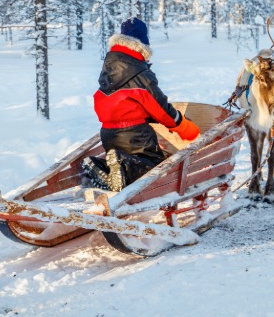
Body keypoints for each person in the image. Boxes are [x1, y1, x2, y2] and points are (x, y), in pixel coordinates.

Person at [85, 17, 200, 192]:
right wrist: (182, 126)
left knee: (124, 165)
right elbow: (160, 108)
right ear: (142, 43)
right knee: (155, 169)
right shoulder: (139, 72)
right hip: (135, 136)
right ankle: (123, 167)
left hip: (108, 134)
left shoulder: (110, 67)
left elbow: (120, 102)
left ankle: (99, 165)